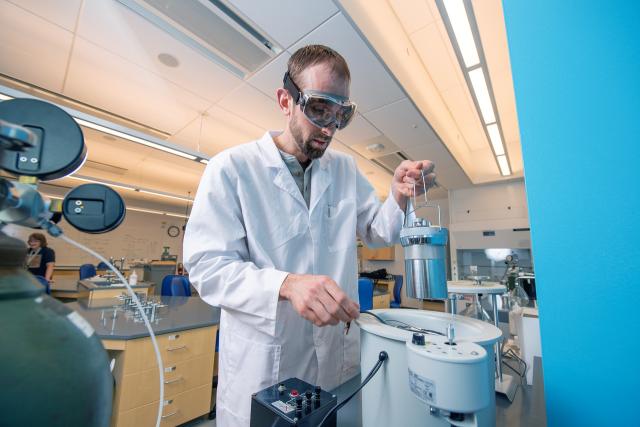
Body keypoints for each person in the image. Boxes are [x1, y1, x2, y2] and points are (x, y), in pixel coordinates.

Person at [183, 44, 435, 426]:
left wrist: (399, 194)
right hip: (266, 361)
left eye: (341, 115)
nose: (329, 128)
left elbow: (378, 232)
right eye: (319, 109)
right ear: (286, 100)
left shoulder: (345, 170)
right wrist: (285, 284)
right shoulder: (232, 169)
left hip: (332, 359)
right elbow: (206, 268)